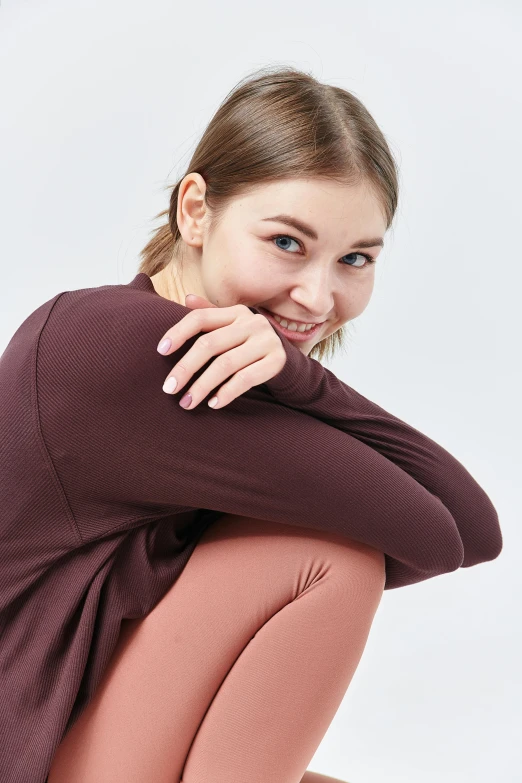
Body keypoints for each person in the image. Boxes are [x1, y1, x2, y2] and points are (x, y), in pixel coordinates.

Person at [0, 66, 502, 783]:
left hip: (68, 741)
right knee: (334, 558)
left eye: (355, 258)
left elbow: (469, 531)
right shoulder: (131, 350)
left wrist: (300, 378)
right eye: (288, 243)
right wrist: (308, 382)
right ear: (196, 210)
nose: (318, 295)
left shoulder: (202, 357)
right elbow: (435, 531)